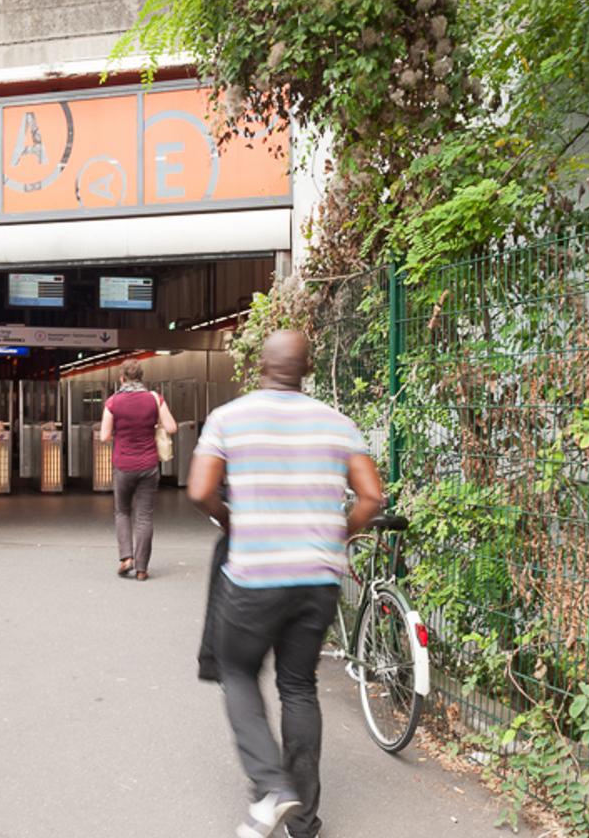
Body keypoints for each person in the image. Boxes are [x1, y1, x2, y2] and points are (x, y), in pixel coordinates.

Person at [188, 330, 383, 838]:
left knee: (236, 671)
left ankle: (272, 787)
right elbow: (371, 497)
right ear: (307, 369)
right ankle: (304, 823)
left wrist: (229, 519)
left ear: (260, 367)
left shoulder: (230, 418)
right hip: (317, 577)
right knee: (299, 686)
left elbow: (200, 489)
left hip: (255, 575)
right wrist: (338, 535)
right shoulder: (338, 424)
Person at [99, 360, 178, 581]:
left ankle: (126, 558)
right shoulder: (155, 398)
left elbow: (104, 436)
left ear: (122, 378)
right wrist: (153, 425)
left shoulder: (113, 402)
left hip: (123, 465)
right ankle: (142, 569)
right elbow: (171, 427)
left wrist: (122, 430)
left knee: (122, 511)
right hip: (149, 465)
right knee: (144, 516)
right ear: (141, 377)